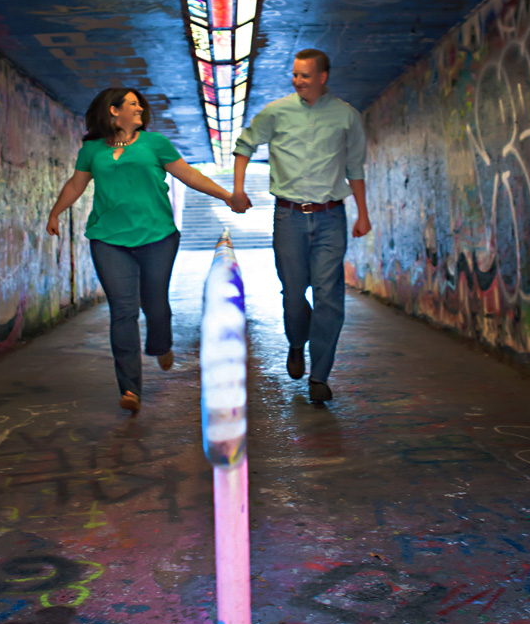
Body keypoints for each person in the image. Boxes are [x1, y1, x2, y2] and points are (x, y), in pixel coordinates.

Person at [47, 86, 247, 414]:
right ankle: (129, 388)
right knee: (123, 311)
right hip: (109, 239)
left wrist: (227, 196)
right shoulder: (92, 150)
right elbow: (75, 184)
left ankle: (161, 343)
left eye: (140, 104)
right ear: (113, 111)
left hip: (157, 236)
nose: (140, 108)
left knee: (154, 303)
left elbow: (189, 175)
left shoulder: (156, 144)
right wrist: (56, 212)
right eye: (132, 104)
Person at [231, 49, 371, 404]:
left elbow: (355, 167)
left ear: (322, 77)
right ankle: (297, 342)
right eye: (294, 74)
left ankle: (319, 376)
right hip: (288, 217)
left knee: (329, 296)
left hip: (331, 217)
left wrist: (363, 213)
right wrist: (237, 188)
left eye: (304, 75)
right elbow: (245, 144)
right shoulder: (276, 113)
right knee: (294, 294)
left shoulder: (347, 117)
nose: (297, 81)